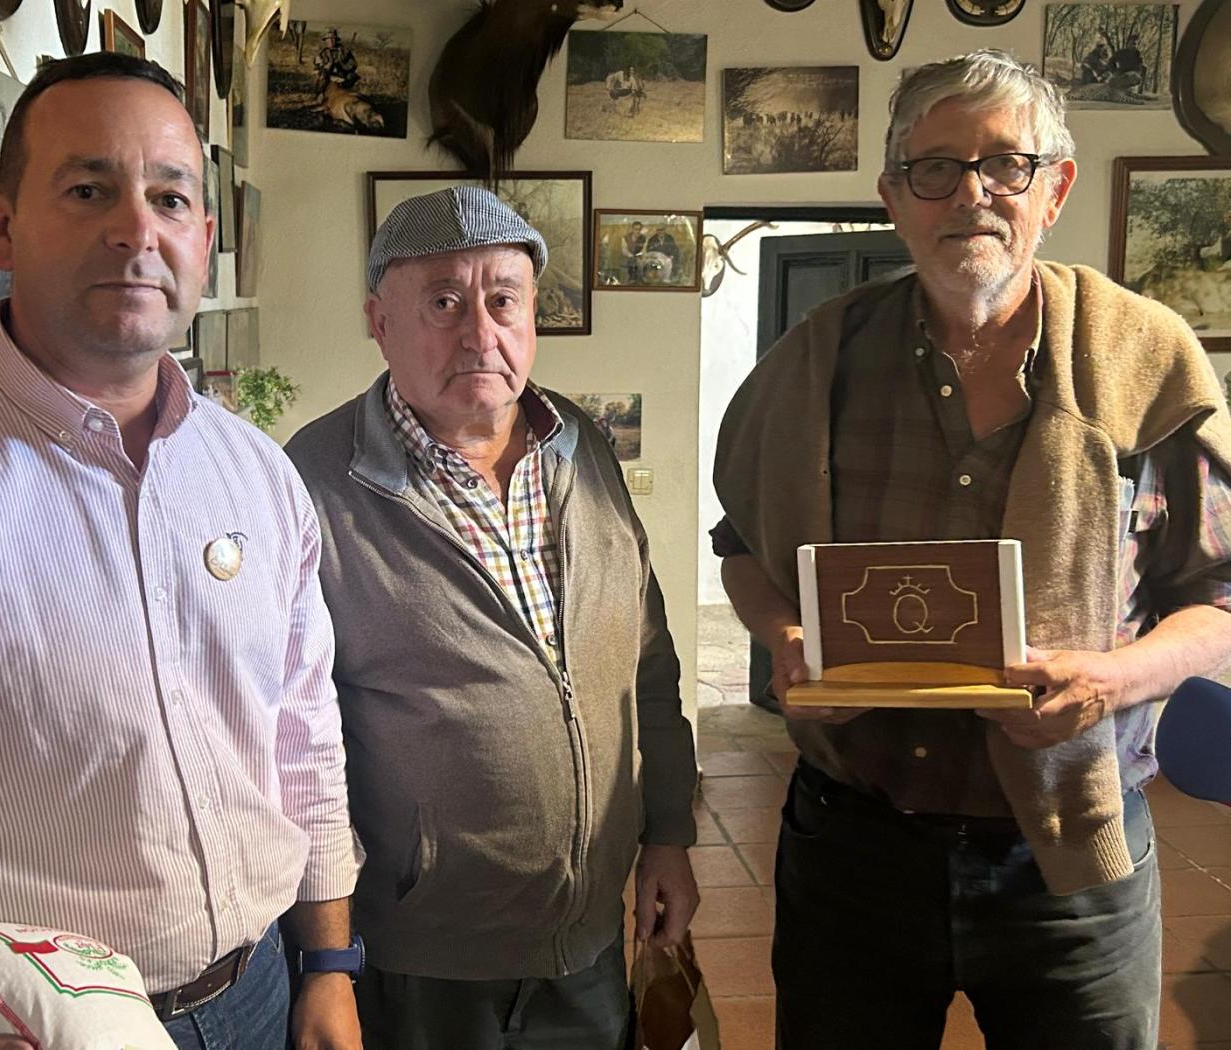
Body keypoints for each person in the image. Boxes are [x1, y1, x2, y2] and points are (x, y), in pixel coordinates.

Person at [0, 53, 361, 1050]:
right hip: (12, 1030)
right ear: (1, 228)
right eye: (87, 190)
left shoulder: (257, 473)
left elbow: (302, 734)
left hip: (257, 993)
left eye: (169, 198)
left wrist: (329, 965)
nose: (135, 230)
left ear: (204, 240)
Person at [712, 49, 1231, 1048]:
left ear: (1055, 189)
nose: (970, 194)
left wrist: (1113, 680)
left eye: (1005, 165)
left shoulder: (1149, 357)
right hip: (852, 848)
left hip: (1068, 855)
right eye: (935, 168)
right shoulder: (814, 360)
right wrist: (784, 637)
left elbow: (1219, 593)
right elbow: (741, 548)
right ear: (893, 197)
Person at [286, 186, 698, 1050]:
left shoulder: (580, 446)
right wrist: (326, 958)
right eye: (443, 303)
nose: (480, 333)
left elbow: (648, 663)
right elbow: (293, 744)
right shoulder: (312, 485)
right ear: (379, 322)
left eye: (503, 300)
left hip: (588, 942)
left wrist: (667, 835)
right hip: (422, 961)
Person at [314, 27, 359, 100]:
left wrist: (343, 65)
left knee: (352, 76)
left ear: (336, 40)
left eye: (333, 39)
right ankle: (320, 94)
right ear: (326, 40)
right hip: (328, 76)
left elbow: (354, 64)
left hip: (342, 76)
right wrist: (325, 67)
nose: (331, 41)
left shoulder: (344, 51)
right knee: (321, 78)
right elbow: (317, 66)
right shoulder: (322, 53)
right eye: (329, 39)